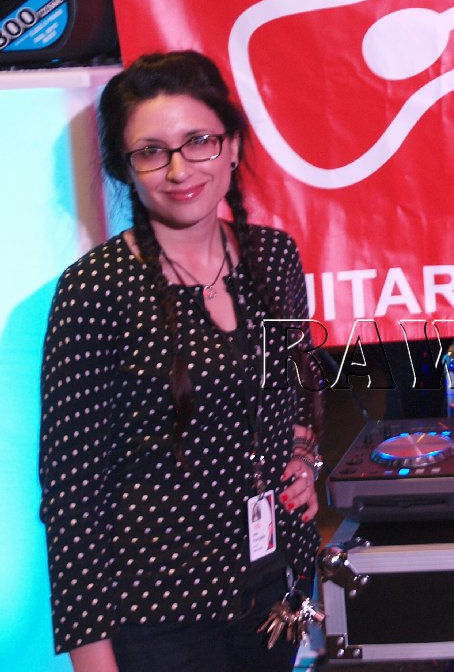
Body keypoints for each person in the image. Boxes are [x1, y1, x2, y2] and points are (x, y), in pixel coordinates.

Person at [39, 51, 324, 672]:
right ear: (126, 168)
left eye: (198, 141)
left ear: (232, 146)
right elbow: (71, 496)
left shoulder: (274, 257)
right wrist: (92, 659)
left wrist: (303, 455)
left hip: (275, 592)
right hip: (159, 615)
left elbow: (296, 389)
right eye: (151, 152)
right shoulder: (96, 289)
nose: (178, 169)